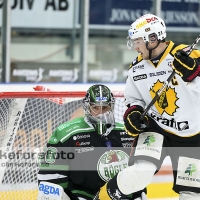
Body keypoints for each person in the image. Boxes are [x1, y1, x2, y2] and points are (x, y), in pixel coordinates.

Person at [94, 14, 200, 200]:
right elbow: (134, 99)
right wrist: (133, 113)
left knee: (191, 195)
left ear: (153, 39)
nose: (135, 46)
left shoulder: (189, 56)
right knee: (138, 175)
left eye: (138, 41)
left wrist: (193, 75)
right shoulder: (136, 67)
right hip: (156, 128)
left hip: (193, 135)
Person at [37, 84, 147, 200]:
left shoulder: (126, 134)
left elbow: (138, 176)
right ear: (87, 107)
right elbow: (49, 180)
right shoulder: (66, 134)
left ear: (111, 107)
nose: (100, 113)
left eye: (105, 107)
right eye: (95, 107)